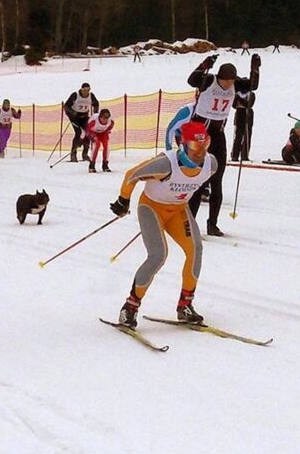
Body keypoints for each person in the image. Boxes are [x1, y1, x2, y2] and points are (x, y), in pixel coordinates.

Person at [109, 121, 215, 328]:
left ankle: (185, 306)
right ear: (182, 145)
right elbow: (132, 175)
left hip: (177, 210)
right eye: (195, 147)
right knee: (158, 255)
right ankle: (130, 307)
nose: (200, 153)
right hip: (152, 209)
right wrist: (123, 200)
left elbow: (196, 181)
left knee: (195, 250)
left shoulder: (212, 164)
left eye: (205, 146)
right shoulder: (165, 164)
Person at [187, 54, 260, 236]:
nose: (228, 84)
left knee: (217, 180)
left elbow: (253, 85)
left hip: (217, 134)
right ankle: (189, 224)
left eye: (230, 81)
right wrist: (204, 65)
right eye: (225, 80)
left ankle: (212, 224)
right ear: (219, 77)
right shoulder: (210, 80)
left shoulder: (235, 84)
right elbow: (192, 80)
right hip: (199, 133)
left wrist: (255, 68)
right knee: (198, 181)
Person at [64, 82, 99, 163]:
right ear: (81, 89)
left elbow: (96, 104)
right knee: (78, 133)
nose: (86, 92)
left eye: (88, 90)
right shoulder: (75, 95)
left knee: (88, 133)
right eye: (84, 90)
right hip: (74, 117)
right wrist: (72, 112)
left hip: (84, 116)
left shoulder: (91, 96)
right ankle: (73, 154)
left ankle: (85, 154)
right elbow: (66, 106)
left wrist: (95, 113)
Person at [86, 109, 114, 173]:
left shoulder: (111, 122)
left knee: (107, 146)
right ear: (100, 117)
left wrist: (107, 132)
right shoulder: (94, 122)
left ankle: (105, 165)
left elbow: (109, 128)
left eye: (107, 118)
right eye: (103, 118)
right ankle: (92, 165)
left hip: (103, 133)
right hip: (93, 132)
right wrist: (91, 137)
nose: (105, 120)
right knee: (97, 144)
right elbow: (87, 130)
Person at [230, 90, 255, 162]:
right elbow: (234, 105)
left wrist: (239, 100)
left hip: (247, 114)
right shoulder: (237, 94)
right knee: (238, 136)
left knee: (247, 136)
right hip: (239, 113)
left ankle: (245, 155)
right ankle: (235, 155)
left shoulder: (251, 94)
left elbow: (249, 104)